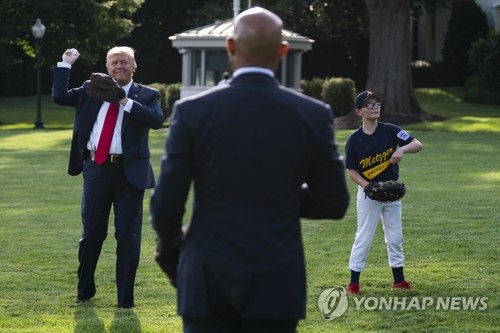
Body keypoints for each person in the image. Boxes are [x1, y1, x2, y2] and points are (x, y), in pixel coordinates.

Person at [150, 7, 350, 333]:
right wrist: (279, 194)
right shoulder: (313, 114)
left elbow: (166, 205)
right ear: (283, 51)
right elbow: (333, 201)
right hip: (276, 279)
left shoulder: (192, 112)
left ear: (229, 47)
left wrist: (171, 248)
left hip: (206, 277)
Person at [52, 46, 165, 308]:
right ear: (107, 66)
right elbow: (59, 96)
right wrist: (66, 64)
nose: (119, 66)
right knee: (92, 233)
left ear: (134, 66)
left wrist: (123, 100)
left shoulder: (148, 95)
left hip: (130, 175)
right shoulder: (93, 89)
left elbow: (156, 120)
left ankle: (125, 299)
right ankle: (84, 290)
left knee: (128, 236)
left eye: (125, 62)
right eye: (114, 63)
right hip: (97, 169)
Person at [344, 91, 423, 295]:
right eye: (369, 105)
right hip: (368, 195)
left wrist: (402, 150)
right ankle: (353, 283)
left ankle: (399, 281)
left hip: (391, 192)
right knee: (364, 237)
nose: (374, 107)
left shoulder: (390, 130)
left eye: (377, 104)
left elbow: (417, 144)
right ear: (359, 111)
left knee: (395, 237)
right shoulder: (354, 139)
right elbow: (351, 170)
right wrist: (367, 186)